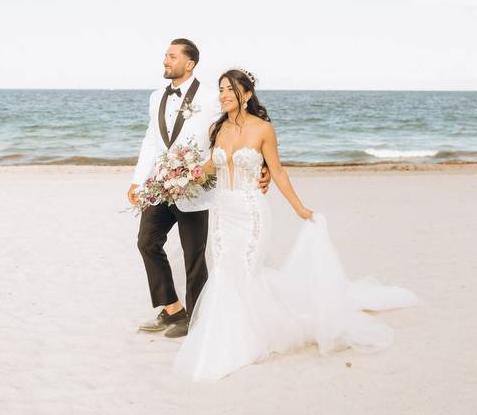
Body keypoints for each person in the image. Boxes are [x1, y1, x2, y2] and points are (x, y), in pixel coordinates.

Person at [172, 69, 418, 380]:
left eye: (229, 90)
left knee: (246, 272)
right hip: (223, 215)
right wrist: (186, 175)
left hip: (251, 216)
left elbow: (277, 171)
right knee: (222, 272)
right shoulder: (217, 128)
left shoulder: (263, 129)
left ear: (246, 95)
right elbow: (212, 165)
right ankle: (221, 338)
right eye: (220, 89)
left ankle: (246, 340)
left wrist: (300, 208)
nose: (222, 95)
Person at [128, 40, 270, 338]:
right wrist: (138, 180)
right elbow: (151, 140)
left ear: (189, 63)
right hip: (160, 185)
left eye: (172, 56)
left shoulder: (210, 96)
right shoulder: (156, 97)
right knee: (146, 242)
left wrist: (263, 165)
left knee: (195, 256)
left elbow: (237, 126)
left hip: (197, 187)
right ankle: (172, 309)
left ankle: (195, 319)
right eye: (165, 55)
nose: (165, 60)